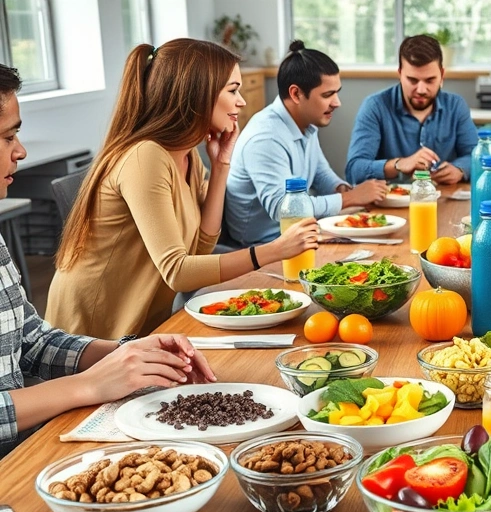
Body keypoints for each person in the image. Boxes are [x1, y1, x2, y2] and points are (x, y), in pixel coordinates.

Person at [0, 63, 216, 457]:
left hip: (20, 448)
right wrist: (88, 385)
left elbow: (30, 341)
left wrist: (128, 352)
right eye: (7, 136)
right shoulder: (146, 158)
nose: (21, 151)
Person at [46, 39, 319, 340]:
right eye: (232, 90)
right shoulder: (145, 157)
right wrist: (274, 251)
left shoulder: (186, 155)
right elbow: (178, 271)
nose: (241, 101)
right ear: (198, 94)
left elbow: (199, 249)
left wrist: (221, 168)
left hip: (141, 332)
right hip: (91, 336)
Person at [225, 40, 388, 246]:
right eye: (328, 95)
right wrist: (351, 198)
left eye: (337, 92)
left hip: (299, 233)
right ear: (296, 94)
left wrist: (342, 189)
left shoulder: (306, 124)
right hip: (264, 246)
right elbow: (281, 207)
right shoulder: (265, 137)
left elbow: (320, 174)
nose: (337, 103)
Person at [345, 35, 477, 186]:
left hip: (441, 200)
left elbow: (476, 156)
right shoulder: (375, 106)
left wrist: (460, 169)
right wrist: (398, 164)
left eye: (430, 80)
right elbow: (353, 171)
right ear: (400, 74)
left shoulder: (455, 105)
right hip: (388, 204)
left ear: (442, 75)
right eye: (412, 80)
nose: (421, 90)